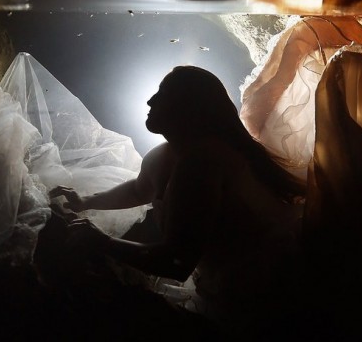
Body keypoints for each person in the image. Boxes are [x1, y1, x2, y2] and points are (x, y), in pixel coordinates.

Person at [51, 65, 306, 330]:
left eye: (163, 94)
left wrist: (102, 241)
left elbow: (177, 262)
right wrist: (86, 201)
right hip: (224, 276)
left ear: (188, 107)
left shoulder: (202, 163)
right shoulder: (167, 154)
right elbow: (139, 190)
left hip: (254, 292)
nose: (150, 101)